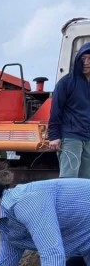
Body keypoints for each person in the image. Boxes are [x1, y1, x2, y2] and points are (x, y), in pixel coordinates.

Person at [48, 42, 90, 179]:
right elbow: (55, 110)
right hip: (71, 138)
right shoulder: (66, 82)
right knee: (69, 181)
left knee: (86, 182)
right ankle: (65, 201)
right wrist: (54, 136)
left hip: (88, 139)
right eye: (83, 59)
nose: (86, 62)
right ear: (77, 59)